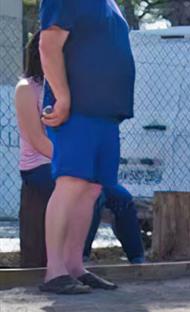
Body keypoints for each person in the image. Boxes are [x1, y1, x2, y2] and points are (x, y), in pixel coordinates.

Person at [37, 0, 135, 294]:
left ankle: (74, 266)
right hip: (77, 109)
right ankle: (54, 271)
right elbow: (49, 44)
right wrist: (62, 97)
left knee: (92, 189)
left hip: (106, 113)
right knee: (71, 182)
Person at [15, 33, 53, 269]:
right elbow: (36, 139)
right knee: (72, 186)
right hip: (37, 164)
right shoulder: (27, 88)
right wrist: (72, 161)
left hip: (62, 161)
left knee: (110, 196)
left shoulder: (63, 87)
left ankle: (138, 261)